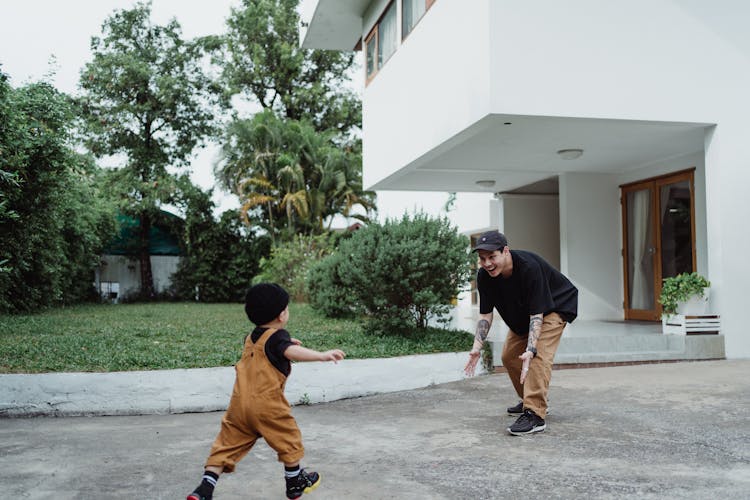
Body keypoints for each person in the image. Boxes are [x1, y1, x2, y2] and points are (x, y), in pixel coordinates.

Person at [187, 283, 346, 500]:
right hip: (266, 405)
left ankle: (204, 489)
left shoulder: (251, 337)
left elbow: (272, 348)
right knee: (288, 438)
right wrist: (321, 355)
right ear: (281, 315)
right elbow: (290, 351)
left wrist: (285, 344)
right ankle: (294, 481)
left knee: (226, 445)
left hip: (239, 405)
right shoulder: (278, 339)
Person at [464, 231, 577, 436]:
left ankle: (535, 414)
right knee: (508, 356)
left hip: (554, 308)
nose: (487, 263)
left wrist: (531, 349)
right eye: (482, 258)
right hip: (525, 316)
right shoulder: (485, 276)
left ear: (505, 251)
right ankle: (529, 398)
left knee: (537, 356)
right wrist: (476, 348)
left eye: (492, 257)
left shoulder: (528, 267)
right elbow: (485, 315)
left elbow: (537, 315)